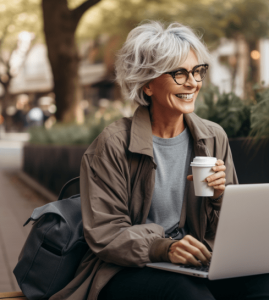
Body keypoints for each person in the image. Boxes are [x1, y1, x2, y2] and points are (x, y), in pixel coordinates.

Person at [50, 21, 269, 300]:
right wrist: (164, 247)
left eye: (197, 71)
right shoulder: (114, 143)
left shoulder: (214, 137)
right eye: (179, 73)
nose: (193, 82)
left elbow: (230, 233)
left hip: (194, 265)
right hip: (126, 268)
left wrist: (220, 197)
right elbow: (106, 234)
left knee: (262, 284)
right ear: (148, 84)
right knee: (187, 294)